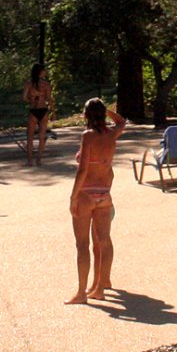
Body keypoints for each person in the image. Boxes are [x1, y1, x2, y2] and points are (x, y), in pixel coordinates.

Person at [68, 98, 127, 304]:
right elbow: (122, 122)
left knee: (82, 244)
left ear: (85, 116)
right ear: (101, 115)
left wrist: (73, 196)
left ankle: (81, 293)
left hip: (86, 194)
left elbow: (83, 169)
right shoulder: (111, 134)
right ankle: (100, 288)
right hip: (104, 195)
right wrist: (105, 111)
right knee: (105, 241)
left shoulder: (88, 136)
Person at [22, 64, 53, 164]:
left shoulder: (29, 84)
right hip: (43, 110)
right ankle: (39, 159)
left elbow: (24, 98)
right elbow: (49, 99)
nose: (46, 72)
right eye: (44, 70)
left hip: (33, 110)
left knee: (30, 137)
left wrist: (31, 99)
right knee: (41, 136)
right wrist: (53, 110)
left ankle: (30, 161)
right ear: (40, 72)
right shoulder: (46, 84)